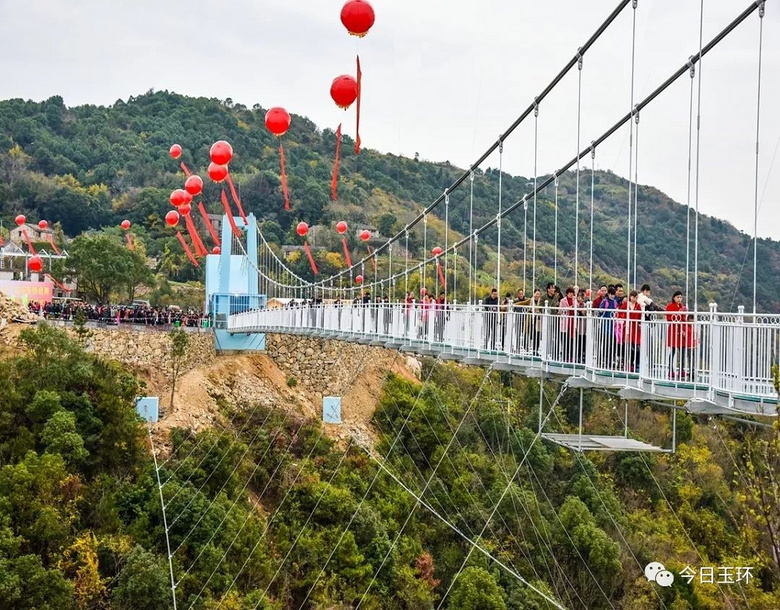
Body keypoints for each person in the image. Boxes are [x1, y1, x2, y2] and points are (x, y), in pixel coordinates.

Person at [618, 290, 643, 372]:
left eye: (636, 297)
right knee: (627, 346)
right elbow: (620, 313)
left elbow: (640, 316)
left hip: (635, 328)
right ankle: (627, 363)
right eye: (633, 297)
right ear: (630, 297)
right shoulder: (626, 305)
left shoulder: (638, 306)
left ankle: (634, 363)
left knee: (636, 346)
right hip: (628, 327)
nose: (634, 299)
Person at [665, 291, 687, 378]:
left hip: (681, 331)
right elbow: (669, 318)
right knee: (673, 351)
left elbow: (684, 319)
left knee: (682, 352)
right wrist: (678, 314)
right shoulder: (670, 306)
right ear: (674, 298)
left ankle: (681, 370)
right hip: (674, 331)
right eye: (677, 297)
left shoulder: (682, 307)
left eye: (680, 297)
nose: (679, 299)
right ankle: (671, 370)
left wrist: (684, 330)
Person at [599, 285, 620, 367]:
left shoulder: (615, 302)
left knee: (612, 343)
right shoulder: (605, 301)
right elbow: (600, 311)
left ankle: (611, 359)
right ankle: (605, 359)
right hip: (605, 324)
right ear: (608, 294)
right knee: (605, 343)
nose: (612, 296)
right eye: (611, 294)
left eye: (613, 294)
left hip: (612, 325)